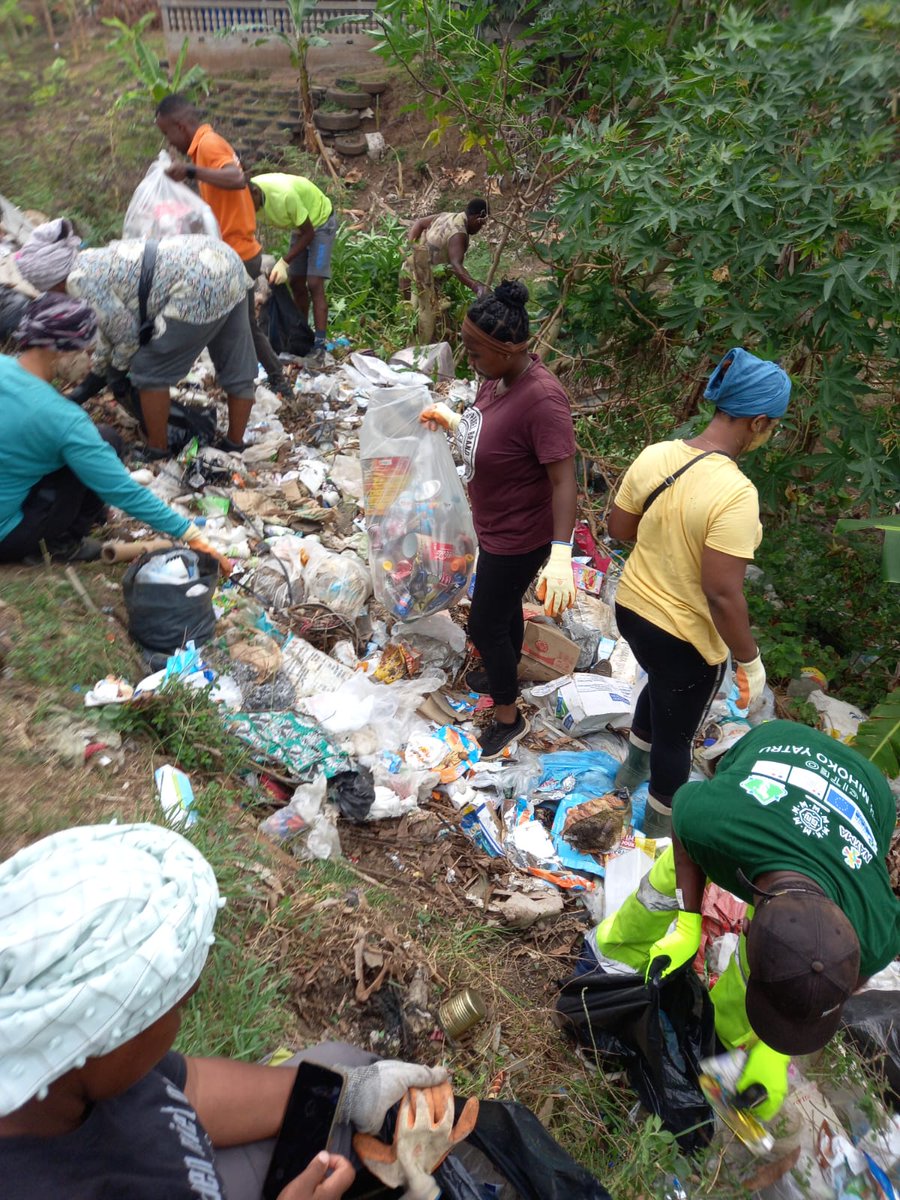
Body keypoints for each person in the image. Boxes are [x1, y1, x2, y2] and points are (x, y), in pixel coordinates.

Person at [0, 821, 451, 1199]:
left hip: (189, 1158)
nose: (175, 1026)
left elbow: (185, 1086)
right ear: (108, 1035)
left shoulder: (84, 1069)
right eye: (173, 1008)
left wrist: (350, 1091)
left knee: (343, 1060)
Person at [585, 720, 900, 1123]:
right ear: (744, 926)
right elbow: (683, 823)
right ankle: (609, 957)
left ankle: (721, 1044)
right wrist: (687, 923)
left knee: (781, 961)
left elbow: (839, 982)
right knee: (666, 884)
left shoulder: (875, 935)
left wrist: (776, 1047)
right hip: (778, 745)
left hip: (868, 792)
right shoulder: (717, 826)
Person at [605, 347, 792, 837]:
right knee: (677, 738)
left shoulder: (658, 455)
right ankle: (658, 837)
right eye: (771, 424)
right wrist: (749, 661)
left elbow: (620, 528)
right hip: (685, 638)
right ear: (756, 422)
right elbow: (722, 594)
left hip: (630, 610)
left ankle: (628, 775)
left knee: (660, 686)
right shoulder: (735, 494)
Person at [419, 280, 577, 760]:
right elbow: (486, 428)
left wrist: (562, 553)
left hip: (520, 536)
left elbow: (564, 479)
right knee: (502, 610)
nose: (471, 360)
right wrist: (452, 419)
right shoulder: (498, 377)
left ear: (511, 348)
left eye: (476, 351)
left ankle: (509, 717)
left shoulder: (543, 400)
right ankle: (502, 668)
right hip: (494, 523)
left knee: (485, 624)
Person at [0, 292, 217, 566]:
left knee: (102, 439)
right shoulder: (62, 418)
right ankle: (61, 545)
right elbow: (121, 490)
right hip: (5, 538)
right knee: (102, 444)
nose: (90, 361)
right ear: (59, 351)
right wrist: (191, 533)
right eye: (85, 351)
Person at [15, 219, 257, 458]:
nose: (50, 296)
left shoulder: (76, 281)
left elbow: (127, 336)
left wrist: (116, 372)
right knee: (236, 361)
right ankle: (234, 444)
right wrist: (96, 378)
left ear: (52, 279)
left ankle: (157, 449)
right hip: (221, 258)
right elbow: (111, 330)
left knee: (149, 369)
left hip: (198, 283)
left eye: (47, 289)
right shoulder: (88, 259)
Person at [155, 93, 291, 398]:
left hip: (237, 256)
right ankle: (275, 383)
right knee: (243, 327)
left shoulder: (208, 144)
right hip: (237, 252)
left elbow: (236, 178)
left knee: (217, 327)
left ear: (179, 125)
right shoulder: (203, 147)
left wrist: (190, 172)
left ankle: (236, 387)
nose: (169, 142)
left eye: (167, 133)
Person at [249, 173, 338, 370]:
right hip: (300, 227)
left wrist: (284, 262)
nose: (248, 209)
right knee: (296, 282)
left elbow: (310, 233)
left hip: (320, 222)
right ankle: (301, 336)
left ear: (255, 193)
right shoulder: (247, 195)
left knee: (314, 283)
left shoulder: (283, 196)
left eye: (249, 204)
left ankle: (320, 347)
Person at [402, 200, 489, 341]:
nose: (480, 228)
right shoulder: (459, 234)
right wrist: (477, 287)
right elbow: (456, 265)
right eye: (481, 223)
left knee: (408, 321)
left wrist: (410, 248)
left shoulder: (446, 216)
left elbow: (419, 223)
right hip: (423, 285)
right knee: (426, 331)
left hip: (407, 274)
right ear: (477, 217)